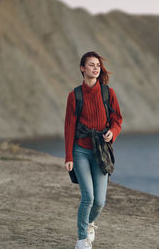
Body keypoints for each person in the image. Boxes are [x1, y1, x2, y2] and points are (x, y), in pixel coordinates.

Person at [64, 51, 122, 249]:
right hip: (80, 150)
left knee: (100, 202)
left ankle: (89, 224)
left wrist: (112, 133)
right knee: (88, 197)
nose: (95, 68)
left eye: (97, 65)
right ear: (82, 68)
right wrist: (69, 156)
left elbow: (117, 120)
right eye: (91, 65)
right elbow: (69, 127)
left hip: (101, 152)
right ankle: (81, 240)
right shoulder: (75, 96)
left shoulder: (108, 93)